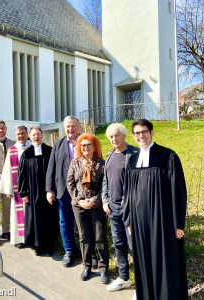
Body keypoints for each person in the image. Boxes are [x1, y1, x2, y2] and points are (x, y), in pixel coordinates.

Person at [123, 119, 188, 300]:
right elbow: (127, 192)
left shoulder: (167, 156)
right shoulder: (132, 160)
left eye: (144, 132)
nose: (141, 136)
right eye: (137, 133)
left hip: (163, 220)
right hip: (139, 221)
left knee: (165, 260)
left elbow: (178, 191)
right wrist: (128, 219)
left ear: (152, 132)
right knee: (144, 260)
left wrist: (178, 224)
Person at [67, 133, 109, 283]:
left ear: (94, 146)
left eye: (88, 145)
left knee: (100, 237)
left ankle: (104, 268)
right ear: (79, 147)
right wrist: (79, 200)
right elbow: (70, 184)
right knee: (84, 236)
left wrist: (95, 200)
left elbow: (105, 186)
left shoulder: (102, 163)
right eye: (83, 145)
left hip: (96, 205)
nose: (85, 147)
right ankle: (87, 267)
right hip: (79, 206)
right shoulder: (75, 162)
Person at [102, 123, 139, 292]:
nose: (113, 139)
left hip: (130, 210)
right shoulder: (110, 155)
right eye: (110, 136)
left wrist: (130, 208)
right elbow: (106, 180)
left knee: (134, 246)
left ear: (124, 135)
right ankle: (124, 278)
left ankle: (142, 284)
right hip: (113, 209)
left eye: (117, 135)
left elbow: (139, 184)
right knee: (118, 244)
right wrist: (105, 200)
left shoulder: (134, 154)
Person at [18, 127, 59, 256]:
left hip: (48, 191)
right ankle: (38, 245)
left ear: (42, 135)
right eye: (33, 135)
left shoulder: (50, 151)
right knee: (35, 218)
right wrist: (23, 193)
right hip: (32, 192)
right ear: (30, 137)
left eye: (38, 134)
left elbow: (55, 172)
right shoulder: (26, 154)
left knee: (49, 217)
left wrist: (53, 188)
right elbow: (21, 175)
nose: (36, 137)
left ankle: (49, 245)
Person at [46, 115, 79, 267]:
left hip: (83, 190)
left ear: (78, 127)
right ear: (64, 128)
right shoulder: (58, 144)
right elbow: (51, 169)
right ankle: (69, 251)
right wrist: (49, 190)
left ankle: (90, 252)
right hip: (63, 190)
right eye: (67, 126)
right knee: (65, 221)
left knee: (85, 223)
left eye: (73, 126)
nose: (70, 129)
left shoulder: (86, 141)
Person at [0, 125, 30, 248]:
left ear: (27, 134)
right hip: (17, 190)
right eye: (18, 134)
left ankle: (30, 238)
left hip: (32, 189)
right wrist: (8, 189)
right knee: (18, 215)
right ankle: (20, 239)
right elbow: (7, 170)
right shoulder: (12, 149)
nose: (21, 136)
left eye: (23, 133)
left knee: (31, 214)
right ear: (15, 136)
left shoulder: (33, 148)